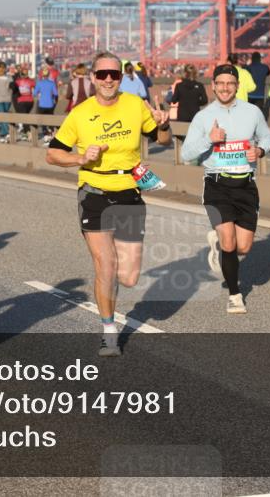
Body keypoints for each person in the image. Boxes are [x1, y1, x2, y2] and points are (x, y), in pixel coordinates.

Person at [45, 52, 169, 357]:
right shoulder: (80, 113)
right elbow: (53, 154)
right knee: (106, 265)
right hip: (94, 190)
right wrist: (79, 157)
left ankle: (113, 304)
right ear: (92, 78)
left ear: (121, 76)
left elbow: (162, 139)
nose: (109, 79)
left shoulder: (134, 105)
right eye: (102, 75)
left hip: (129, 189)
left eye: (114, 74)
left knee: (128, 276)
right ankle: (109, 331)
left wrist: (164, 123)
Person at [180, 64, 270, 314]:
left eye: (230, 83)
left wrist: (261, 150)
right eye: (220, 83)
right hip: (216, 184)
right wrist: (209, 138)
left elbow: (267, 137)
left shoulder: (252, 112)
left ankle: (217, 244)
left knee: (243, 247)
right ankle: (234, 295)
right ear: (212, 86)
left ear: (237, 86)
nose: (225, 88)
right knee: (230, 242)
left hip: (245, 185)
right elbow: (186, 154)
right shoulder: (203, 117)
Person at [33, 67, 58, 139]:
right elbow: (56, 94)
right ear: (48, 74)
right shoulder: (52, 83)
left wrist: (39, 94)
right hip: (50, 104)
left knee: (42, 119)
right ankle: (51, 132)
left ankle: (44, 132)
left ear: (42, 75)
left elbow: (34, 93)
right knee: (50, 119)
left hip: (42, 104)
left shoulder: (39, 83)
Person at [245, 52, 270, 120]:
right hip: (260, 95)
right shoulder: (265, 67)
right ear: (260, 59)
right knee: (259, 113)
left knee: (249, 113)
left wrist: (247, 64)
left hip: (249, 94)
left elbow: (243, 71)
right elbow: (268, 73)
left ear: (252, 59)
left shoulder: (248, 67)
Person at [12, 68, 36, 137]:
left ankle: (28, 132)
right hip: (30, 102)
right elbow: (35, 89)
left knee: (24, 117)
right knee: (26, 116)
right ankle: (26, 132)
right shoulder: (31, 81)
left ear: (20, 74)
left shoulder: (17, 81)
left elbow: (13, 88)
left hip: (21, 101)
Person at [0, 63, 13, 140]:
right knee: (5, 115)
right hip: (8, 98)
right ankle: (4, 132)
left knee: (2, 115)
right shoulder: (9, 77)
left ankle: (6, 132)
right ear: (5, 68)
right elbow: (11, 87)